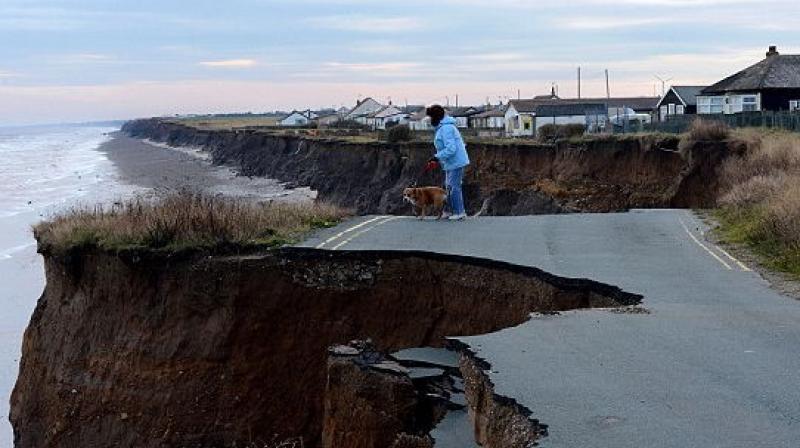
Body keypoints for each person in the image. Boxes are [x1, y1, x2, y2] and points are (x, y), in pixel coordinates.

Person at [426, 105, 470, 221]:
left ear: (436, 117)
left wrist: (436, 157)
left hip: (456, 161)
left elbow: (451, 149)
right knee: (448, 187)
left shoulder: (446, 128)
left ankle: (459, 212)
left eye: (431, 117)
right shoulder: (443, 127)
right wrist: (437, 158)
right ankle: (449, 211)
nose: (430, 120)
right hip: (450, 162)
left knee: (453, 187)